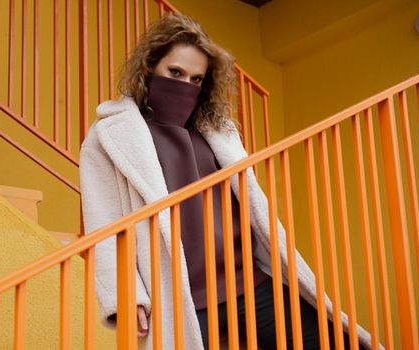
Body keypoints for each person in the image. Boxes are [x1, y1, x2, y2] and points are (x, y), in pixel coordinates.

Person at [80, 13, 373, 350]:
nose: (184, 85)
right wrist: (125, 295)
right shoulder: (110, 136)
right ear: (150, 68)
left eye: (196, 79)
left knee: (335, 341)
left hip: (247, 280)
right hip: (180, 298)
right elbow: (104, 227)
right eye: (174, 73)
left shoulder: (219, 130)